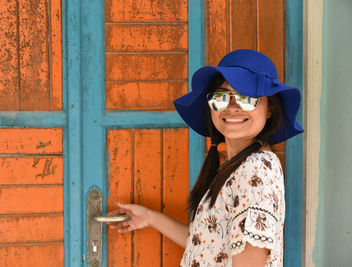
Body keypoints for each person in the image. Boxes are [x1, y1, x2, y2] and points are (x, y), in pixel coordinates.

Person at [108, 49, 304, 267]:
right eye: (221, 97)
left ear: (270, 110)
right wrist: (150, 218)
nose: (232, 108)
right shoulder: (235, 167)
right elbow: (207, 244)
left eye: (246, 98)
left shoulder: (256, 169)